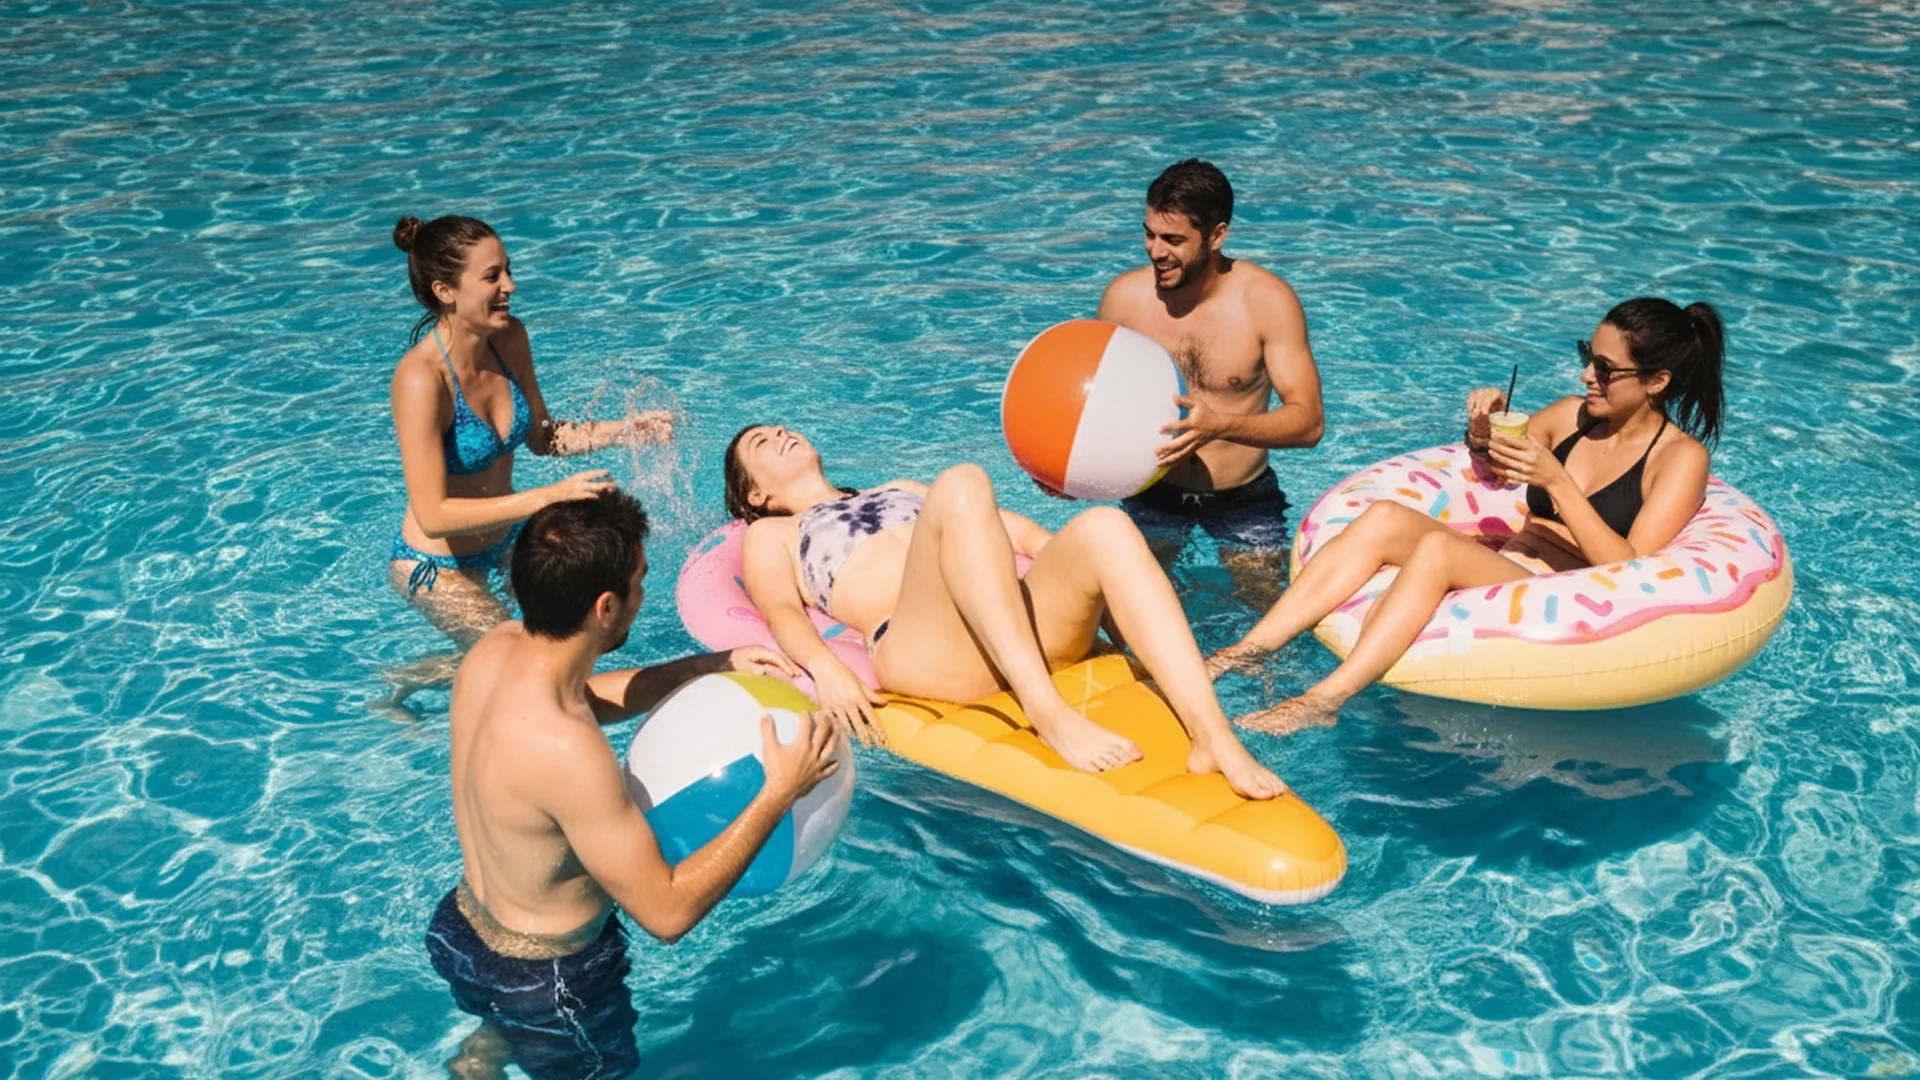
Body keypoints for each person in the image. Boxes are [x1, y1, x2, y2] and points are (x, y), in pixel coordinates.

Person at [428, 489, 842, 1080]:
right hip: (551, 981)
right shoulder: (569, 754)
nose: (643, 595)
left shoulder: (495, 652)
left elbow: (584, 697)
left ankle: (482, 1057)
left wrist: (708, 664)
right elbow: (666, 913)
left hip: (463, 932)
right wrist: (778, 791)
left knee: (503, 1030)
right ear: (605, 607)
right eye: (640, 581)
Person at [1209, 298, 1725, 733]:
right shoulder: (1572, 416)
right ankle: (1247, 651)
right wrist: (1482, 431)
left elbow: (1630, 569)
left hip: (1563, 592)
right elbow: (1495, 468)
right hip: (1509, 561)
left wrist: (1558, 483)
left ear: (1656, 381)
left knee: (1438, 549)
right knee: (1385, 516)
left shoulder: (1679, 459)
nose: (1587, 374)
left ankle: (1325, 700)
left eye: (1606, 369)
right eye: (1588, 356)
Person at [723, 426, 1287, 799]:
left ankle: (1214, 738)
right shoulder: (776, 534)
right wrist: (825, 668)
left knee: (1106, 526)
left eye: (782, 429)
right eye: (762, 443)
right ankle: (1047, 713)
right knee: (963, 481)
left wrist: (1100, 595)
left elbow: (1023, 535)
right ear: (755, 495)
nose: (782, 435)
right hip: (926, 649)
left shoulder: (899, 487)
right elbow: (779, 610)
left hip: (1016, 623)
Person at [382, 214, 671, 707]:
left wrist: (624, 431)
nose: (510, 287)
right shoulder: (420, 380)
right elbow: (432, 515)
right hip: (437, 565)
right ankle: (406, 680)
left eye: (508, 271)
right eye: (491, 276)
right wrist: (548, 498)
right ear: (445, 291)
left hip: (504, 542)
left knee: (581, 626)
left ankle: (440, 669)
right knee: (529, 661)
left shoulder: (509, 339)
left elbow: (542, 436)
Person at [1094, 159, 1324, 597]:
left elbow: (1309, 423)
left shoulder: (1266, 302)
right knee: (1123, 603)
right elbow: (1097, 405)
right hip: (1152, 490)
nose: (1155, 251)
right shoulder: (1123, 301)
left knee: (1267, 608)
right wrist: (1064, 470)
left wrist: (1219, 425)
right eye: (1149, 234)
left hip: (1242, 497)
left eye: (1174, 240)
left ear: (1217, 236)